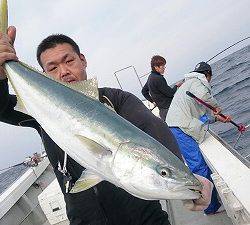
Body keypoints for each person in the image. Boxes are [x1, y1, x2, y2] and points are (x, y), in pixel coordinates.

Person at [0, 26, 212, 225]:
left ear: (82, 60)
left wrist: (189, 176)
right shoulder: (40, 111)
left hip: (145, 218)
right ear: (44, 75)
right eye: (52, 68)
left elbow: (154, 128)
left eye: (69, 61)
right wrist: (1, 75)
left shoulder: (116, 99)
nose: (63, 72)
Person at [166, 61, 231, 215]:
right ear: (207, 74)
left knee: (199, 165)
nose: (209, 81)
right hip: (180, 129)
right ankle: (209, 207)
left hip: (179, 126)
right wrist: (218, 108)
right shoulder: (196, 82)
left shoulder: (188, 85)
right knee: (199, 167)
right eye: (210, 78)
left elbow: (201, 115)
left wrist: (217, 118)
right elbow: (204, 97)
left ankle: (210, 201)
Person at [141, 55, 182, 121]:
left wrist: (153, 101)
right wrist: (176, 85)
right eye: (163, 66)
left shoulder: (150, 77)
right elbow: (171, 93)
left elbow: (144, 91)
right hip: (169, 110)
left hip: (162, 112)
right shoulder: (159, 78)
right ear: (156, 67)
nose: (164, 68)